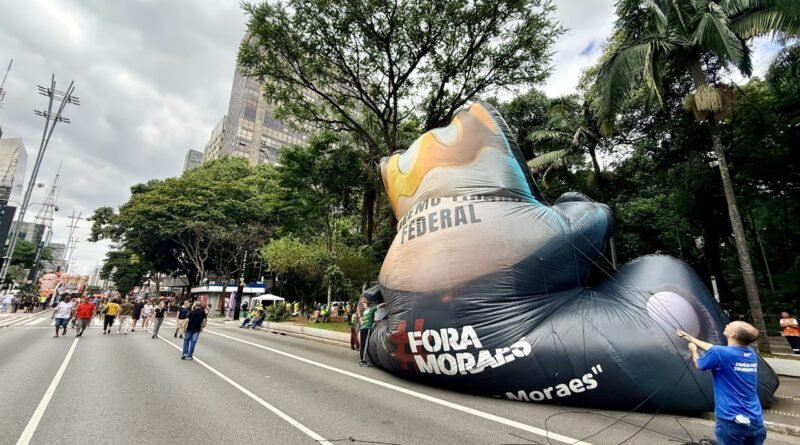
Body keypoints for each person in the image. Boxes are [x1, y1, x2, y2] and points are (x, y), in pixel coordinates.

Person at [677, 322, 766, 445]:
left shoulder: (719, 352)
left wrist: (694, 350)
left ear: (732, 334)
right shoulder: (750, 353)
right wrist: (689, 337)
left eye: (730, 325)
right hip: (755, 419)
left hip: (731, 419)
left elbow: (699, 364)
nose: (727, 324)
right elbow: (714, 349)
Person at [359, 300, 377, 367]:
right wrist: (386, 303)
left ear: (367, 304)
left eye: (364, 303)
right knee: (365, 344)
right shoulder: (371, 310)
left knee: (362, 345)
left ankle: (361, 359)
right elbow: (379, 306)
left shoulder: (365, 312)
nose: (363, 304)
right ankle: (363, 361)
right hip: (367, 328)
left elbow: (368, 319)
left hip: (362, 328)